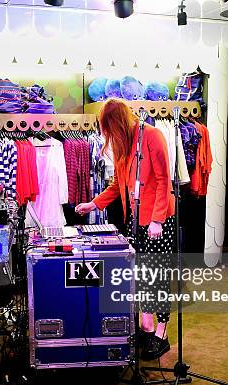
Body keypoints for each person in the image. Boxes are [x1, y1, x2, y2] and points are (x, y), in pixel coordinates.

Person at [75, 98, 175, 360]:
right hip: (136, 219)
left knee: (157, 276)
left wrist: (158, 219)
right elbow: (116, 183)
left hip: (157, 220)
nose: (106, 136)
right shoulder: (124, 145)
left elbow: (165, 179)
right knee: (141, 276)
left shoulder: (152, 137)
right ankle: (146, 326)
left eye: (108, 129)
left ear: (117, 124)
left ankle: (161, 334)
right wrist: (92, 204)